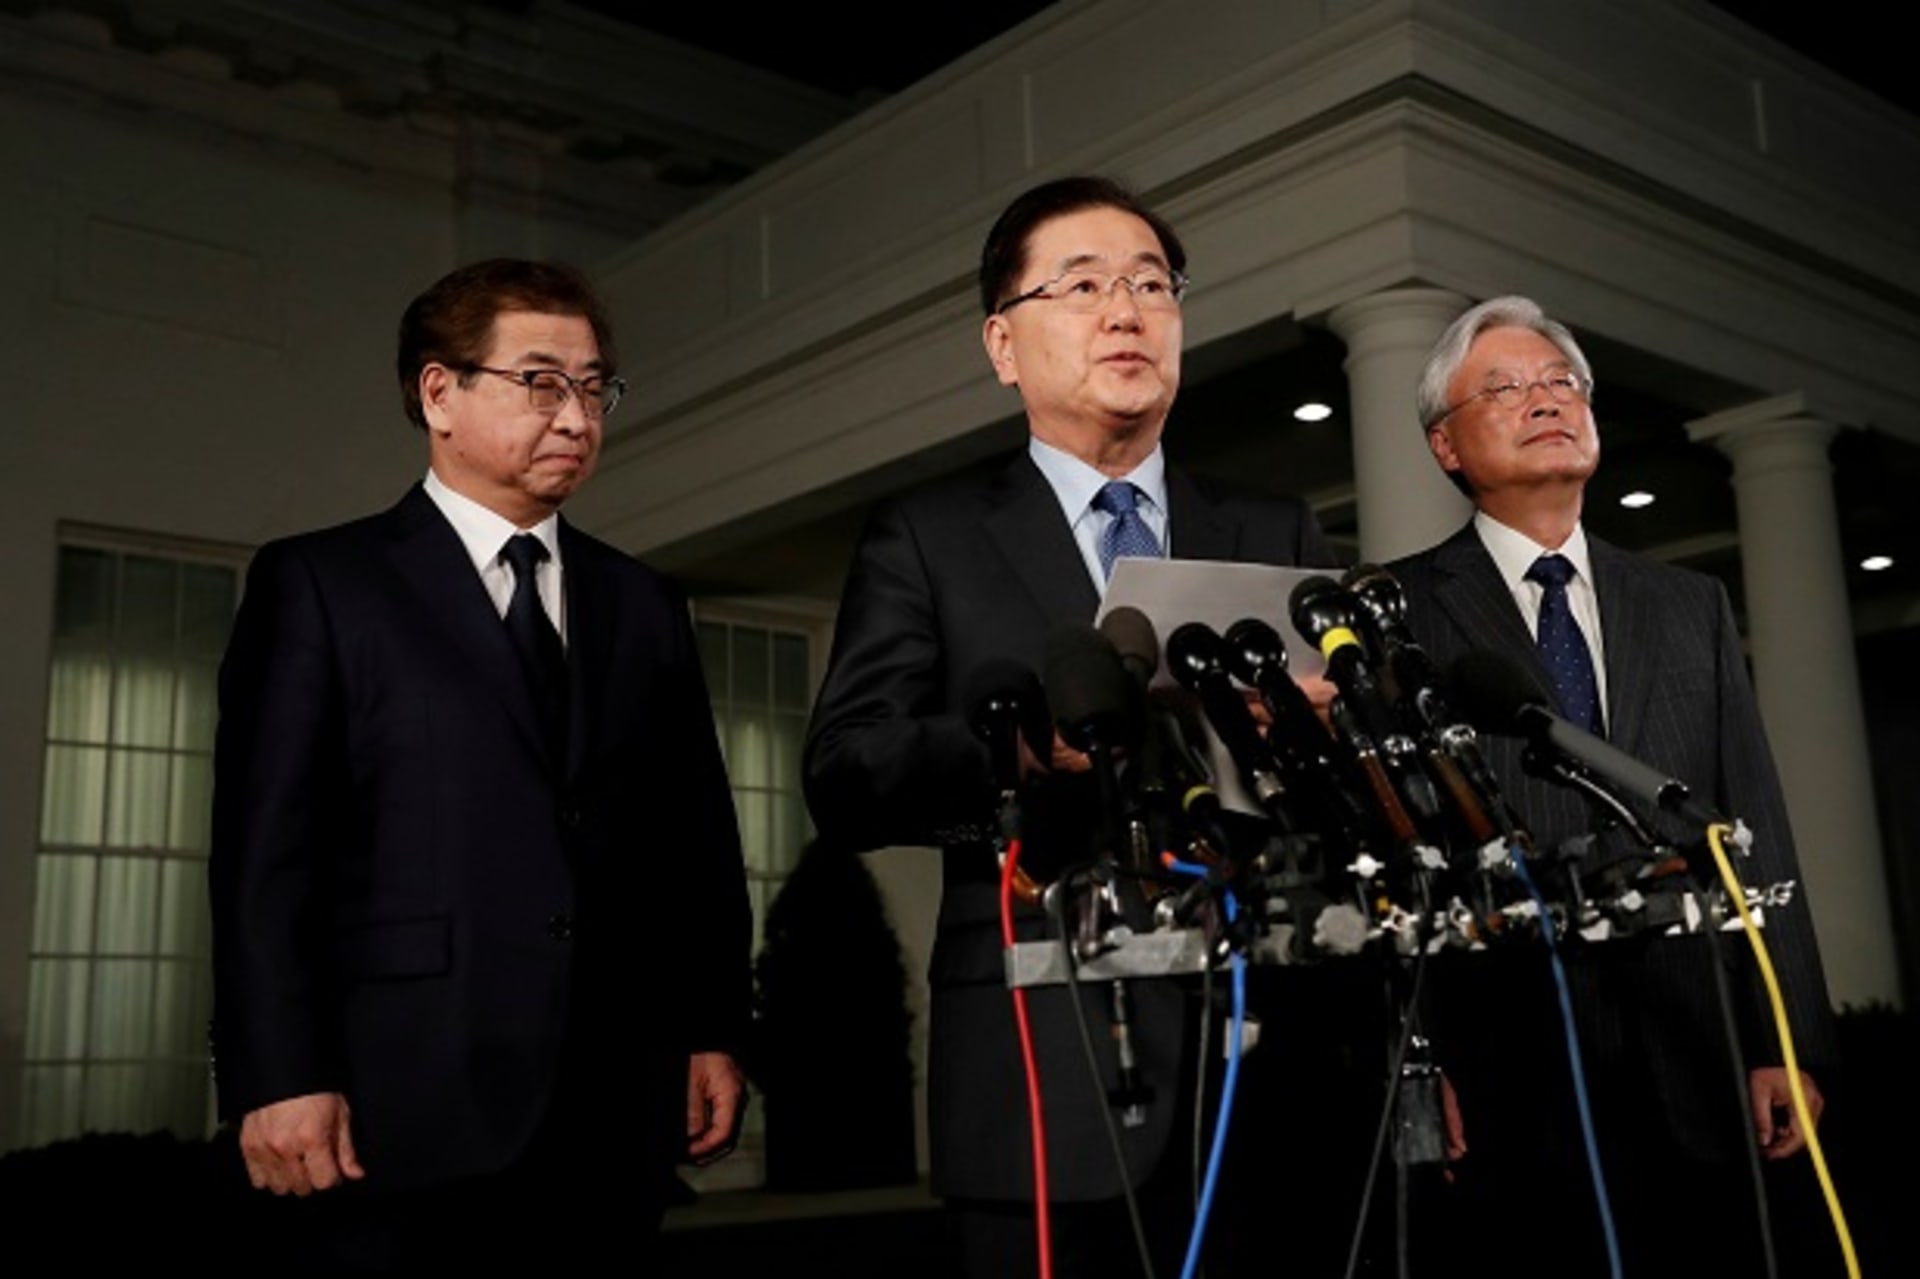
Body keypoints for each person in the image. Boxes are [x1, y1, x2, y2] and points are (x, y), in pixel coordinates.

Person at [803, 176, 1342, 1279]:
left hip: (1262, 1061)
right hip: (1035, 1065)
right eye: (1084, 283)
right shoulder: (930, 535)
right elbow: (847, 770)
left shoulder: (1272, 526)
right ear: (1004, 344)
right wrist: (1017, 750)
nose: (1126, 311)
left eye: (1152, 284)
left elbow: (1336, 807)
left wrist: (1309, 735)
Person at [209, 258, 751, 1272]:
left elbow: (696, 844)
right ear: (438, 392)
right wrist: (275, 1073)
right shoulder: (322, 584)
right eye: (540, 380)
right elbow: (264, 858)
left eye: (595, 387)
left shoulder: (643, 604)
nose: (576, 414)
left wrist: (712, 1027)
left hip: (614, 1108)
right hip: (396, 1104)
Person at [1385, 295, 1838, 1276]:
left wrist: (1787, 1036)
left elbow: (1753, 819)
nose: (1545, 400)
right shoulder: (1397, 611)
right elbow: (1388, 856)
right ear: (1445, 445)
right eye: (1504, 387)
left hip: (1697, 1048)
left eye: (1562, 382)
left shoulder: (1689, 605)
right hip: (1507, 1060)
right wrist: (1417, 1062)